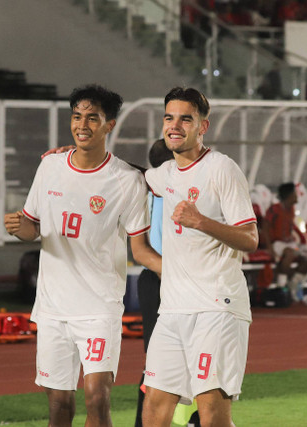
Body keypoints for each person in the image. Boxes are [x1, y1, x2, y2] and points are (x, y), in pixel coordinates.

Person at [4, 84, 161, 426]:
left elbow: (139, 247)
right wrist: (19, 228)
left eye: (93, 118)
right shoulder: (50, 167)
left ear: (110, 125)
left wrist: (177, 273)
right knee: (59, 407)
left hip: (98, 308)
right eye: (77, 117)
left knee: (97, 398)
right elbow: (33, 228)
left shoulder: (127, 181)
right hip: (52, 308)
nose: (83, 125)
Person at [142, 87, 258, 427]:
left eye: (185, 119)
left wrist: (201, 221)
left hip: (216, 307)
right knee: (153, 411)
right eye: (169, 117)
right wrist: (74, 156)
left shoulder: (222, 168)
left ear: (202, 127)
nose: (175, 125)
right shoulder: (164, 174)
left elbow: (251, 238)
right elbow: (130, 175)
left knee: (211, 416)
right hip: (173, 310)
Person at [134, 138, 176, 427]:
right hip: (166, 281)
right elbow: (158, 247)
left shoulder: (149, 191)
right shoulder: (162, 195)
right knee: (162, 364)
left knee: (161, 363)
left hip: (157, 280)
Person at [263, 182, 307, 301]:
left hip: (290, 243)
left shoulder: (291, 209)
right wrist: (269, 247)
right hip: (277, 243)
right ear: (289, 195)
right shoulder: (274, 209)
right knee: (289, 254)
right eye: (295, 194)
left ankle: (292, 283)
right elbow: (265, 228)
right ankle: (282, 287)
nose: (297, 196)